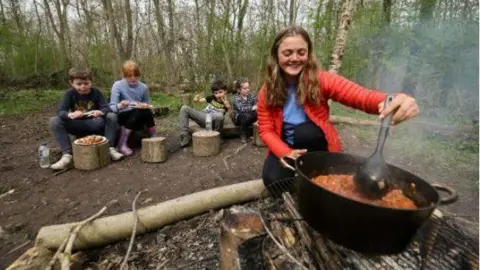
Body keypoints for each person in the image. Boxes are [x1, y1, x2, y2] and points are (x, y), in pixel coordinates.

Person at [257, 25, 420, 188]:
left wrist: (393, 100)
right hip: (285, 144)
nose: (295, 58)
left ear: (308, 54)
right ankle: (298, 182)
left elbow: (361, 96)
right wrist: (285, 153)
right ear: (276, 55)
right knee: (272, 179)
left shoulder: (322, 80)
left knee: (305, 133)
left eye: (301, 52)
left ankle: (316, 172)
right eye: (287, 53)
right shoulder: (267, 91)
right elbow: (266, 130)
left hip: (315, 145)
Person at [49, 68, 123, 170]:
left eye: (86, 83)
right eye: (79, 84)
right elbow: (61, 111)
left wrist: (100, 112)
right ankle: (67, 155)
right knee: (54, 121)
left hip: (96, 123)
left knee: (112, 116)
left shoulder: (96, 92)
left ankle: (109, 148)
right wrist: (70, 115)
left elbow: (107, 108)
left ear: (91, 82)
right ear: (72, 83)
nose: (83, 87)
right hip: (77, 124)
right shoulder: (69, 94)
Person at [109, 60, 156, 156]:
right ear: (124, 75)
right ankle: (122, 143)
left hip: (138, 115)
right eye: (129, 76)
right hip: (123, 116)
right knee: (137, 111)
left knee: (145, 111)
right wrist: (121, 105)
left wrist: (147, 106)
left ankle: (154, 137)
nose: (133, 78)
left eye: (135, 75)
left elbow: (147, 103)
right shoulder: (117, 85)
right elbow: (112, 107)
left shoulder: (143, 87)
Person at [179, 80, 231, 147]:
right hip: (204, 117)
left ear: (225, 91)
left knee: (220, 115)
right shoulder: (211, 98)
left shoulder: (226, 103)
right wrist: (196, 99)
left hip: (213, 122)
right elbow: (199, 101)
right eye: (216, 93)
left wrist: (228, 107)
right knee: (184, 108)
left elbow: (231, 116)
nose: (218, 95)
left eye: (220, 92)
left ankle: (217, 137)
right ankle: (185, 136)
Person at [232, 78, 257, 143]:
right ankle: (243, 133)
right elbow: (241, 109)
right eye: (245, 89)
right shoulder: (236, 98)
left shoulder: (251, 96)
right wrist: (252, 108)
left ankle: (255, 133)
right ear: (239, 90)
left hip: (250, 116)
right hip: (239, 118)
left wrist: (255, 107)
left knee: (257, 112)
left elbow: (257, 105)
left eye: (248, 88)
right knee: (244, 115)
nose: (247, 90)